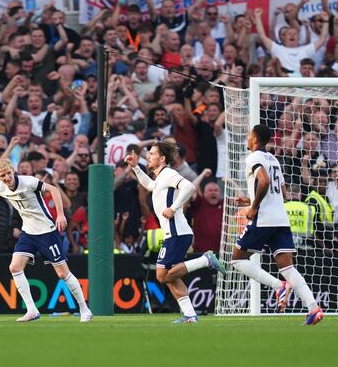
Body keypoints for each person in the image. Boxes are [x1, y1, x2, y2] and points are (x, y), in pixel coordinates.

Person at [0, 159, 92, 323]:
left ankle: (85, 310)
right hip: (28, 233)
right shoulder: (1, 187)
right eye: (2, 176)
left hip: (46, 231)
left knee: (63, 273)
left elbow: (54, 190)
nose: (6, 178)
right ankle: (32, 310)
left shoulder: (28, 182)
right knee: (14, 267)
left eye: (8, 173)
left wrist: (61, 214)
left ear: (12, 170)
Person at [228, 124, 325, 325]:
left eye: (248, 136)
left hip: (263, 219)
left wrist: (253, 207)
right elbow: (283, 192)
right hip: (281, 218)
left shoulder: (254, 158)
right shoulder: (273, 159)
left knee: (237, 260)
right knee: (287, 267)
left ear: (254, 138)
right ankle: (313, 308)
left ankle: (278, 286)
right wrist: (250, 199)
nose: (246, 139)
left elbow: (263, 181)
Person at [124, 141, 226, 323]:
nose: (148, 156)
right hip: (174, 233)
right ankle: (190, 315)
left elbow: (189, 187)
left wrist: (173, 207)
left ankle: (205, 260)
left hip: (177, 232)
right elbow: (150, 186)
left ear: (162, 159)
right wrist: (135, 168)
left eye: (152, 153)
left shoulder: (169, 173)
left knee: (162, 275)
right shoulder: (161, 178)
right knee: (170, 277)